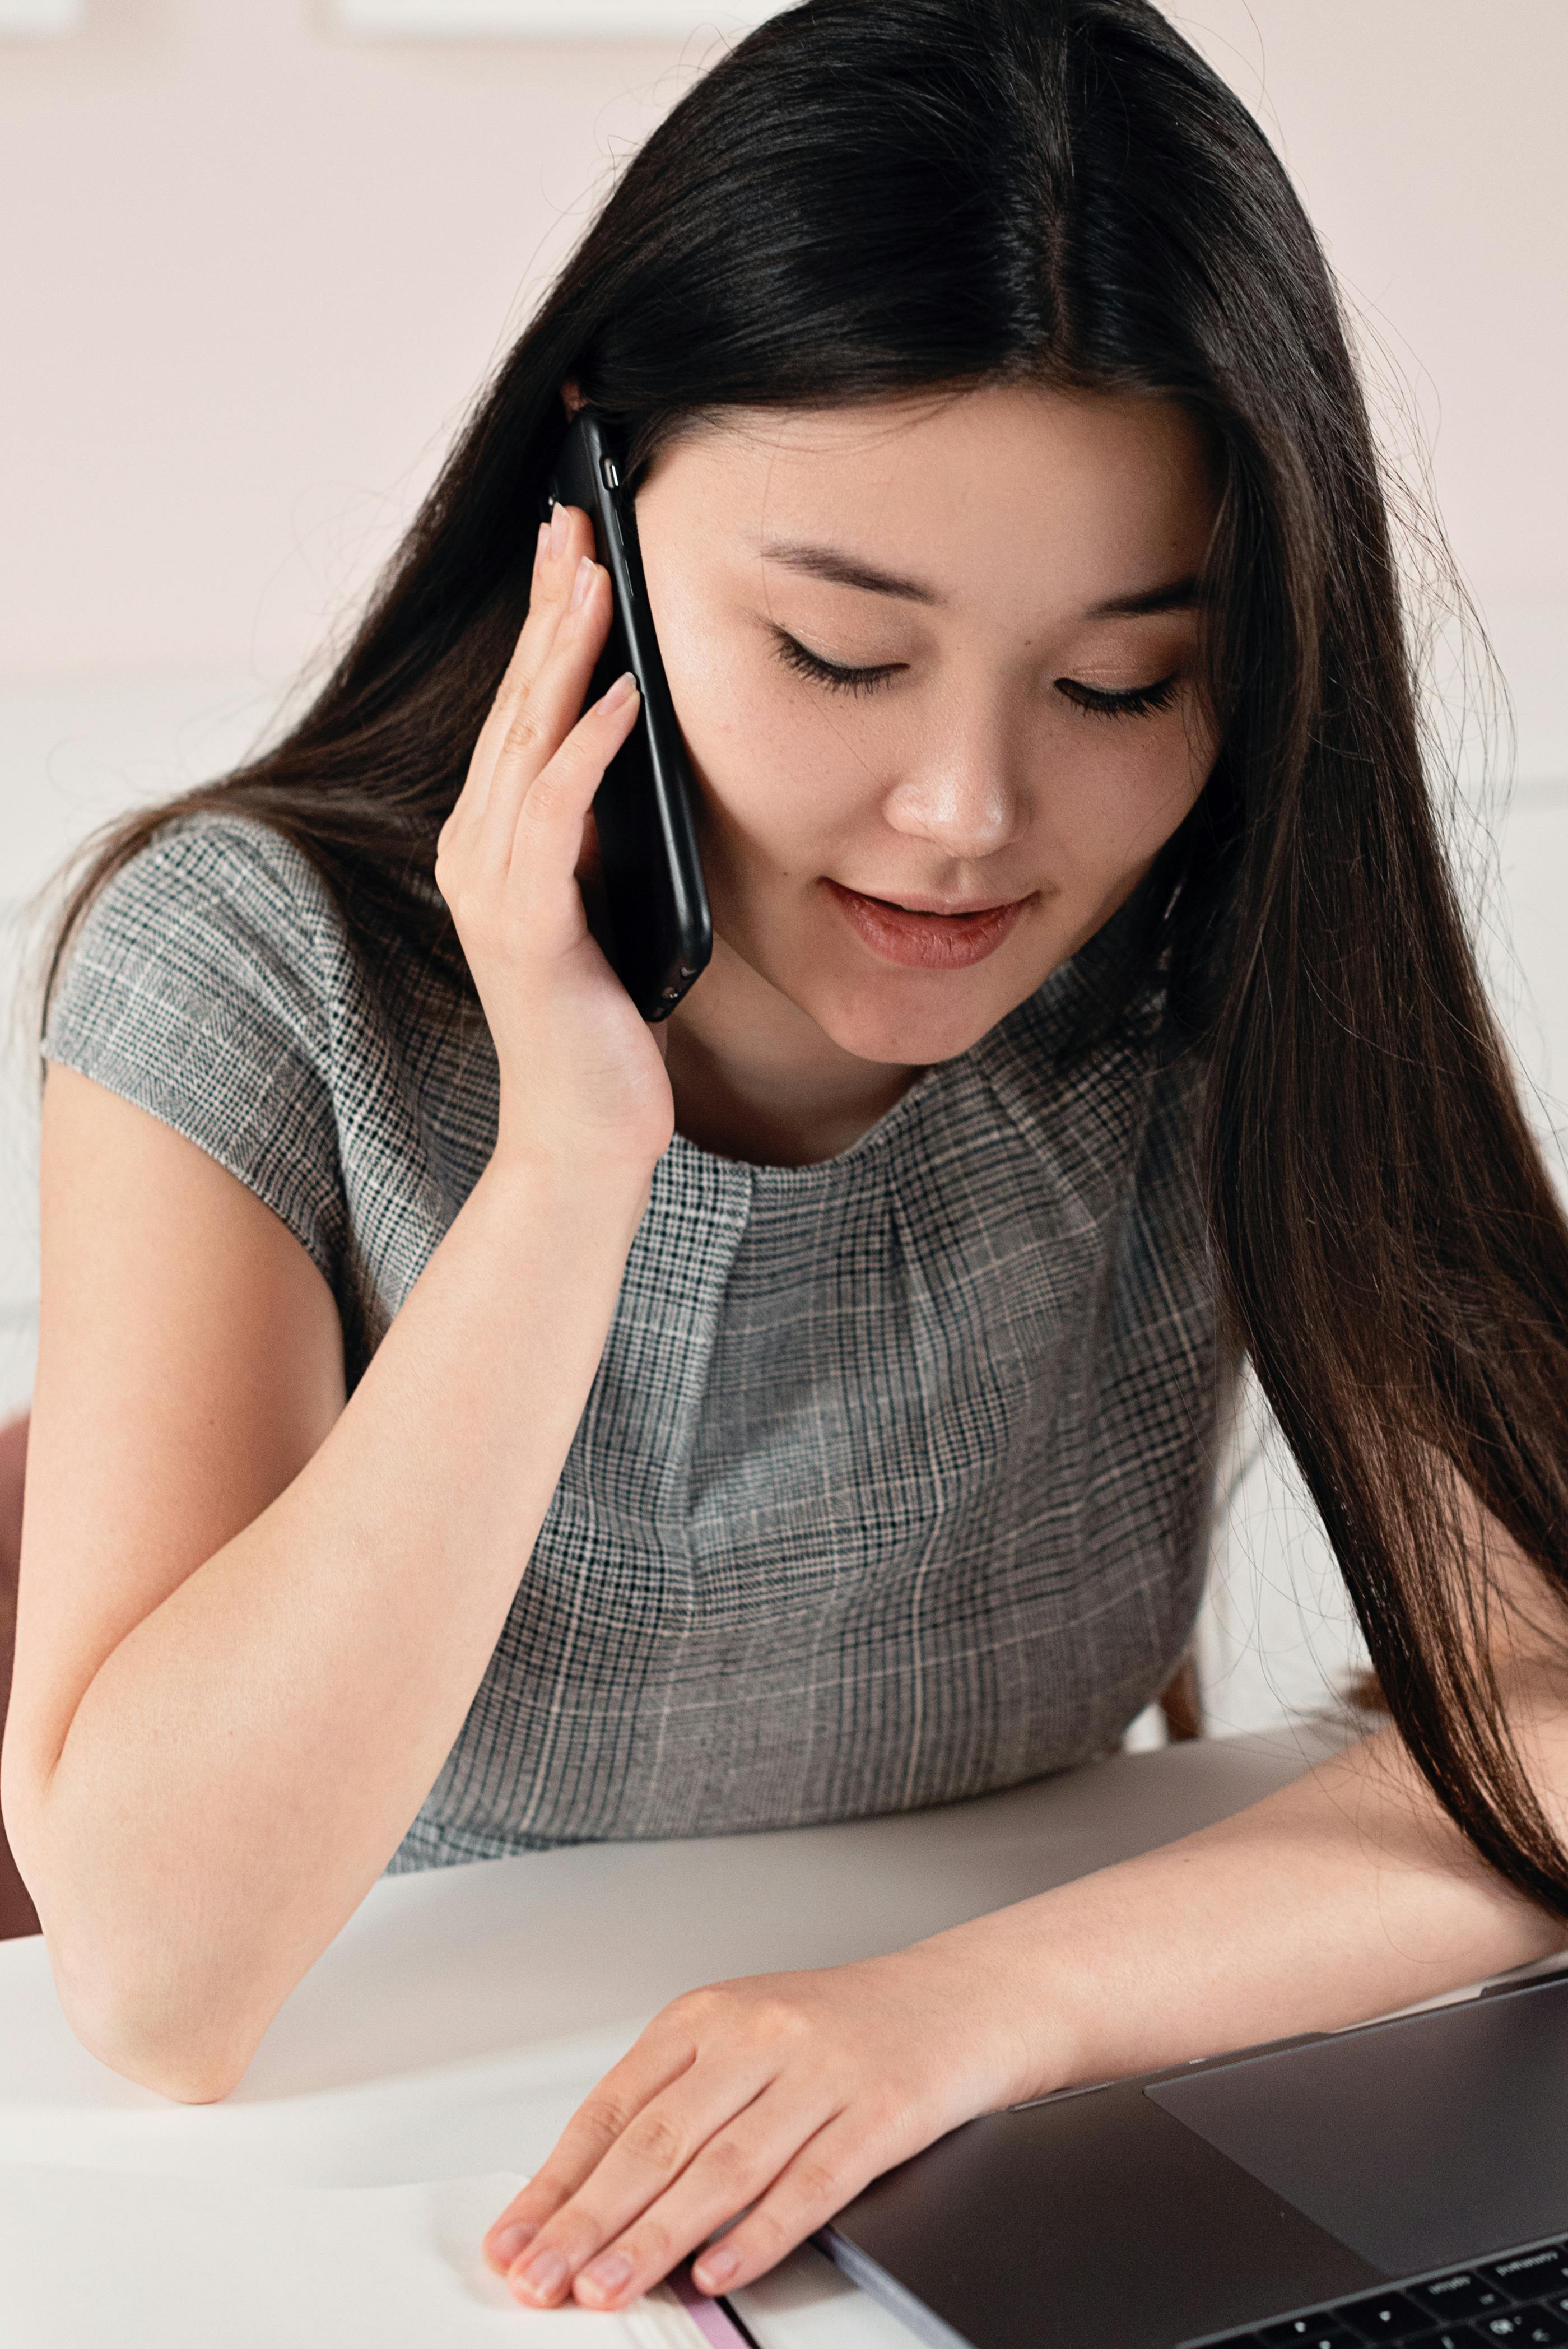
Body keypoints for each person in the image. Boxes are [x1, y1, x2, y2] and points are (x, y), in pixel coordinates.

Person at [5, 0, 1568, 2317]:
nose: (968, 813)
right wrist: (567, 1164)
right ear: (594, 523)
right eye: (840, 651)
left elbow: (1540, 1709)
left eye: (1121, 683)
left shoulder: (1209, 969)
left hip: (932, 2160)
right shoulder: (243, 966)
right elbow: (159, 1973)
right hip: (437, 2201)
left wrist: (972, 2006)